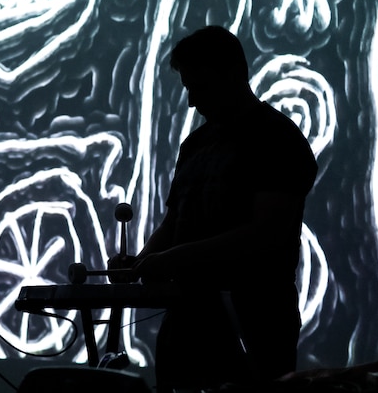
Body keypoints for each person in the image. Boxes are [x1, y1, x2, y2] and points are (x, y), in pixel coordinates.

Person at [133, 26, 318, 392]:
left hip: (256, 319)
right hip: (188, 322)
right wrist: (141, 261)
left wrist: (171, 259)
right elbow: (175, 221)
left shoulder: (277, 138)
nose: (190, 102)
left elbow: (267, 233)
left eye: (197, 86)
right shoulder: (196, 144)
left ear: (232, 74)